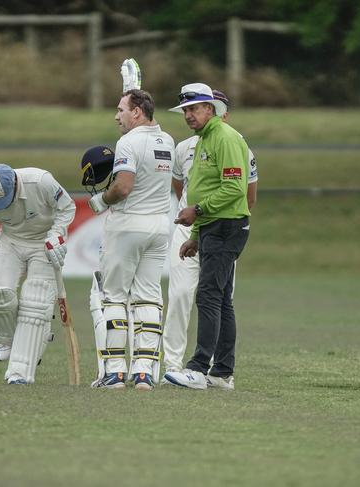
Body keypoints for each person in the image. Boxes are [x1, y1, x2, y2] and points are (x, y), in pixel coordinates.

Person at [162, 89, 258, 380]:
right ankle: (221, 373)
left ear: (211, 109)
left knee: (208, 295)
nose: (188, 115)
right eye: (185, 110)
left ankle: (197, 369)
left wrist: (198, 211)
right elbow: (196, 188)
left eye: (195, 109)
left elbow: (234, 189)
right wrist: (195, 234)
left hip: (226, 226)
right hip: (212, 226)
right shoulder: (204, 139)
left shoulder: (227, 138)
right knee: (221, 298)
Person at [87, 88, 175, 391]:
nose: (117, 116)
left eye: (121, 110)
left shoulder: (128, 142)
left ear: (137, 112)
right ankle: (143, 373)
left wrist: (101, 200)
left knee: (113, 297)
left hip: (127, 225)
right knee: (149, 297)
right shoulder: (168, 141)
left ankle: (114, 372)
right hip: (159, 227)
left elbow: (123, 187)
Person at [0, 163, 75, 385]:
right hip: (11, 242)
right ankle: (6, 339)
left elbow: (67, 207)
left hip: (43, 242)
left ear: (16, 185)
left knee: (35, 304)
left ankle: (19, 374)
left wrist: (56, 234)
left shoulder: (40, 181)